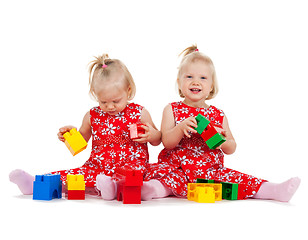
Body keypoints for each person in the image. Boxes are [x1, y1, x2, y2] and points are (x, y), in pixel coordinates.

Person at [141, 45, 301, 202]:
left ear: (211, 86)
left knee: (236, 179)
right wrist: (181, 127)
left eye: (203, 78)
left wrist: (222, 142)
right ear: (179, 82)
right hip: (178, 168)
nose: (195, 82)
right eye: (189, 77)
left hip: (210, 171)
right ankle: (151, 189)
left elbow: (232, 147)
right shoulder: (171, 109)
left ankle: (274, 190)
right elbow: (167, 142)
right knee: (166, 178)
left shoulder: (218, 114)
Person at [9, 54, 161, 200]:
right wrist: (70, 135)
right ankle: (35, 183)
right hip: (97, 167)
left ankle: (112, 187)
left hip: (130, 167)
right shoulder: (92, 115)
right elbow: (82, 140)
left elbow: (157, 140)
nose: (109, 106)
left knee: (131, 179)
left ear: (128, 91)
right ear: (95, 95)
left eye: (115, 101)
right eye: (103, 102)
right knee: (75, 176)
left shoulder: (139, 113)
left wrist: (151, 135)